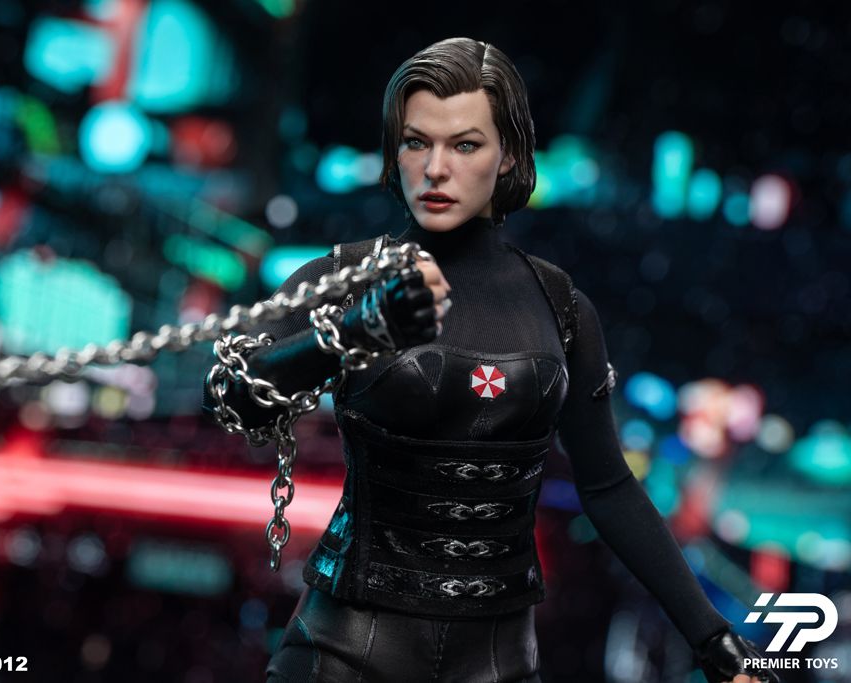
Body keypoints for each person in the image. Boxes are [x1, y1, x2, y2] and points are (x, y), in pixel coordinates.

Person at [205, 37, 778, 683]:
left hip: (500, 663)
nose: (435, 168)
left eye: (465, 145)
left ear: (507, 154)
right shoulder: (342, 279)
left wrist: (714, 640)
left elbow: (609, 488)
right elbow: (231, 395)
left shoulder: (561, 306)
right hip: (343, 652)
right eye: (416, 142)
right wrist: (355, 329)